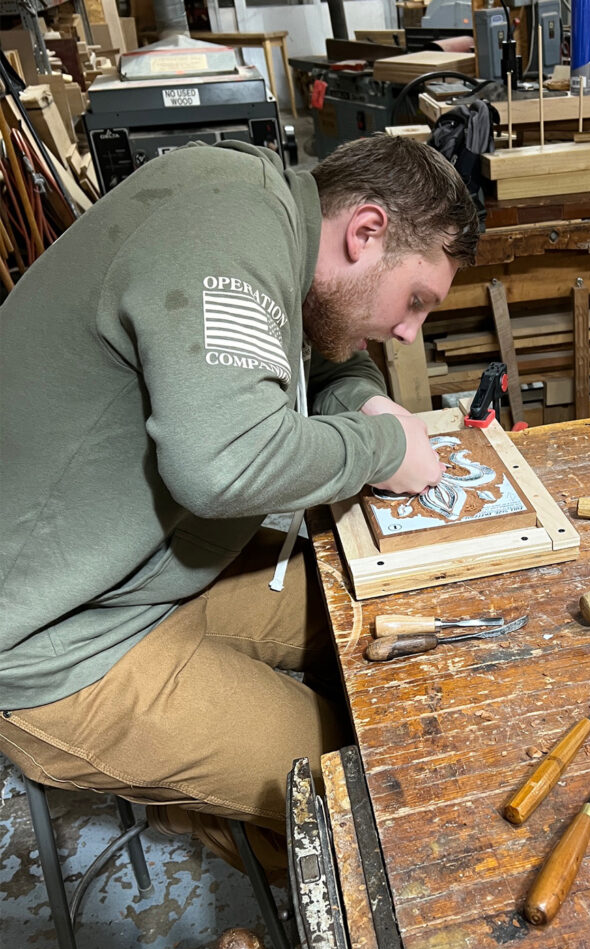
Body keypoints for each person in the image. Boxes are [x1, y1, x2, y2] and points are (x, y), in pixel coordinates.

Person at [0, 134, 480, 877]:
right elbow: (224, 466)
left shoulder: (271, 220)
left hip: (138, 579)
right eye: (415, 301)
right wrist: (380, 448)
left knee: (376, 617)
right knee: (363, 779)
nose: (410, 332)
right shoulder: (225, 228)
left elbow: (335, 357)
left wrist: (373, 402)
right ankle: (250, 840)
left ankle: (216, 798)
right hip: (54, 647)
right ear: (367, 231)